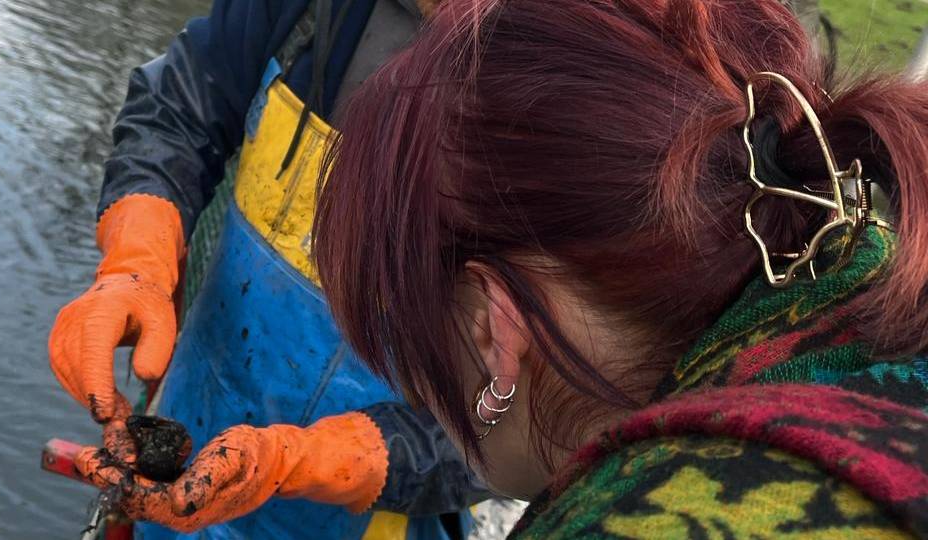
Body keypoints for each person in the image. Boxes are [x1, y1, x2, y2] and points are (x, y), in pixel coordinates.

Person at [107, 0, 928, 536]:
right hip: (201, 415)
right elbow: (183, 98)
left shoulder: (601, 97)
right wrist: (134, 254)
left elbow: (549, 402)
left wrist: (355, 455)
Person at [47, 1, 492, 538]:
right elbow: (181, 105)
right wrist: (135, 256)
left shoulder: (579, 92)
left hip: (369, 521)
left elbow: (548, 413)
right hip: (181, 466)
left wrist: (307, 460)